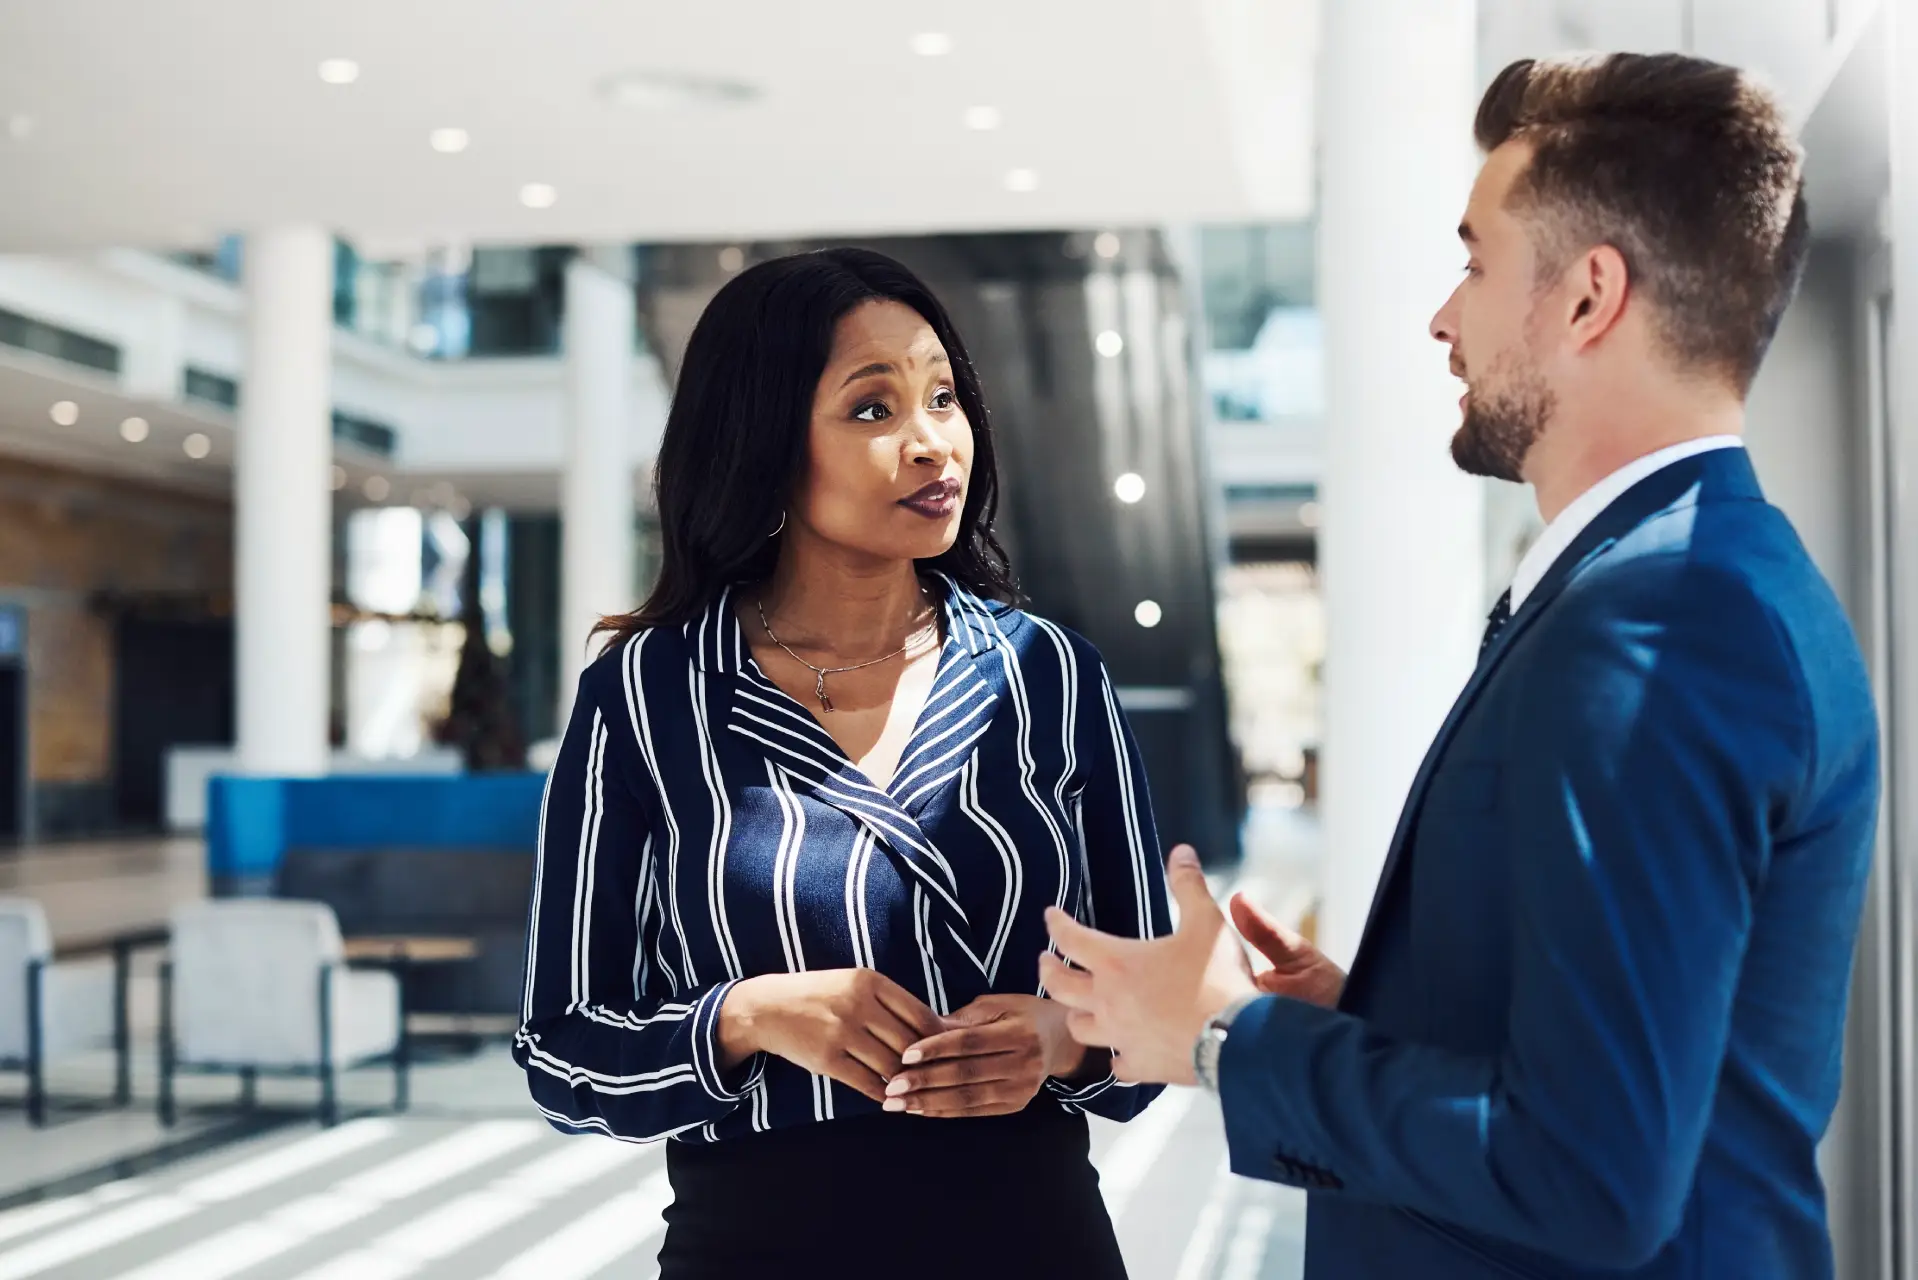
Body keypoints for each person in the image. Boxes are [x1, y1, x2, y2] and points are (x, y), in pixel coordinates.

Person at [1042, 52, 1879, 1280]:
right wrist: (1369, 1013)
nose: (1444, 315)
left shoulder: (1663, 617)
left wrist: (1223, 1035)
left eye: (1477, 262)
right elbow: (1628, 1064)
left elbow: (1591, 1170)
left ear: (1591, 296)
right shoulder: (1689, 583)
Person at [513, 247, 1172, 1279]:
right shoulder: (647, 694)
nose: (930, 445)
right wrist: (747, 1015)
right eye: (874, 409)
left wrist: (1057, 1038)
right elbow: (561, 1051)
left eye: (943, 398)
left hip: (1032, 1241)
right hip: (758, 1247)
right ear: (766, 443)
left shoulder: (1049, 675)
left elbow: (1158, 1011)